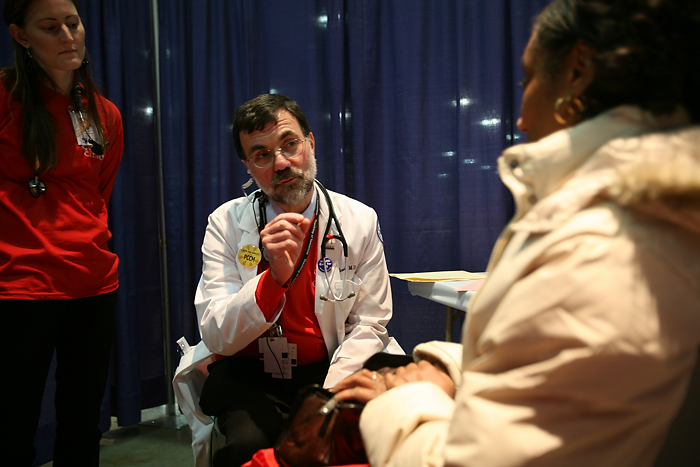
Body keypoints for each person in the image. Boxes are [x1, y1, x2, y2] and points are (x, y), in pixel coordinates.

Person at [332, 0, 700, 466]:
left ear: (577, 70)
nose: (522, 119)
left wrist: (400, 400)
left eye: (528, 81)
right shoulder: (634, 221)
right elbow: (565, 374)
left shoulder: (602, 246)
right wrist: (449, 368)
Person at [173, 93, 402, 467]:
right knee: (247, 447)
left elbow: (370, 323)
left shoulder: (358, 221)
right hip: (250, 376)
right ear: (248, 166)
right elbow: (216, 333)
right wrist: (272, 281)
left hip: (330, 367)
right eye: (261, 155)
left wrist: (326, 398)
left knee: (347, 444)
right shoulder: (226, 224)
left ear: (310, 144)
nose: (281, 162)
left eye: (289, 144)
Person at [0, 0, 124, 465]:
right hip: (18, 289)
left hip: (92, 286)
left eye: (73, 23)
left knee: (81, 420)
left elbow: (99, 194)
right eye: (50, 27)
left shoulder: (103, 113)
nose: (67, 36)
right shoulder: (4, 97)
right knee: (12, 421)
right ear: (21, 36)